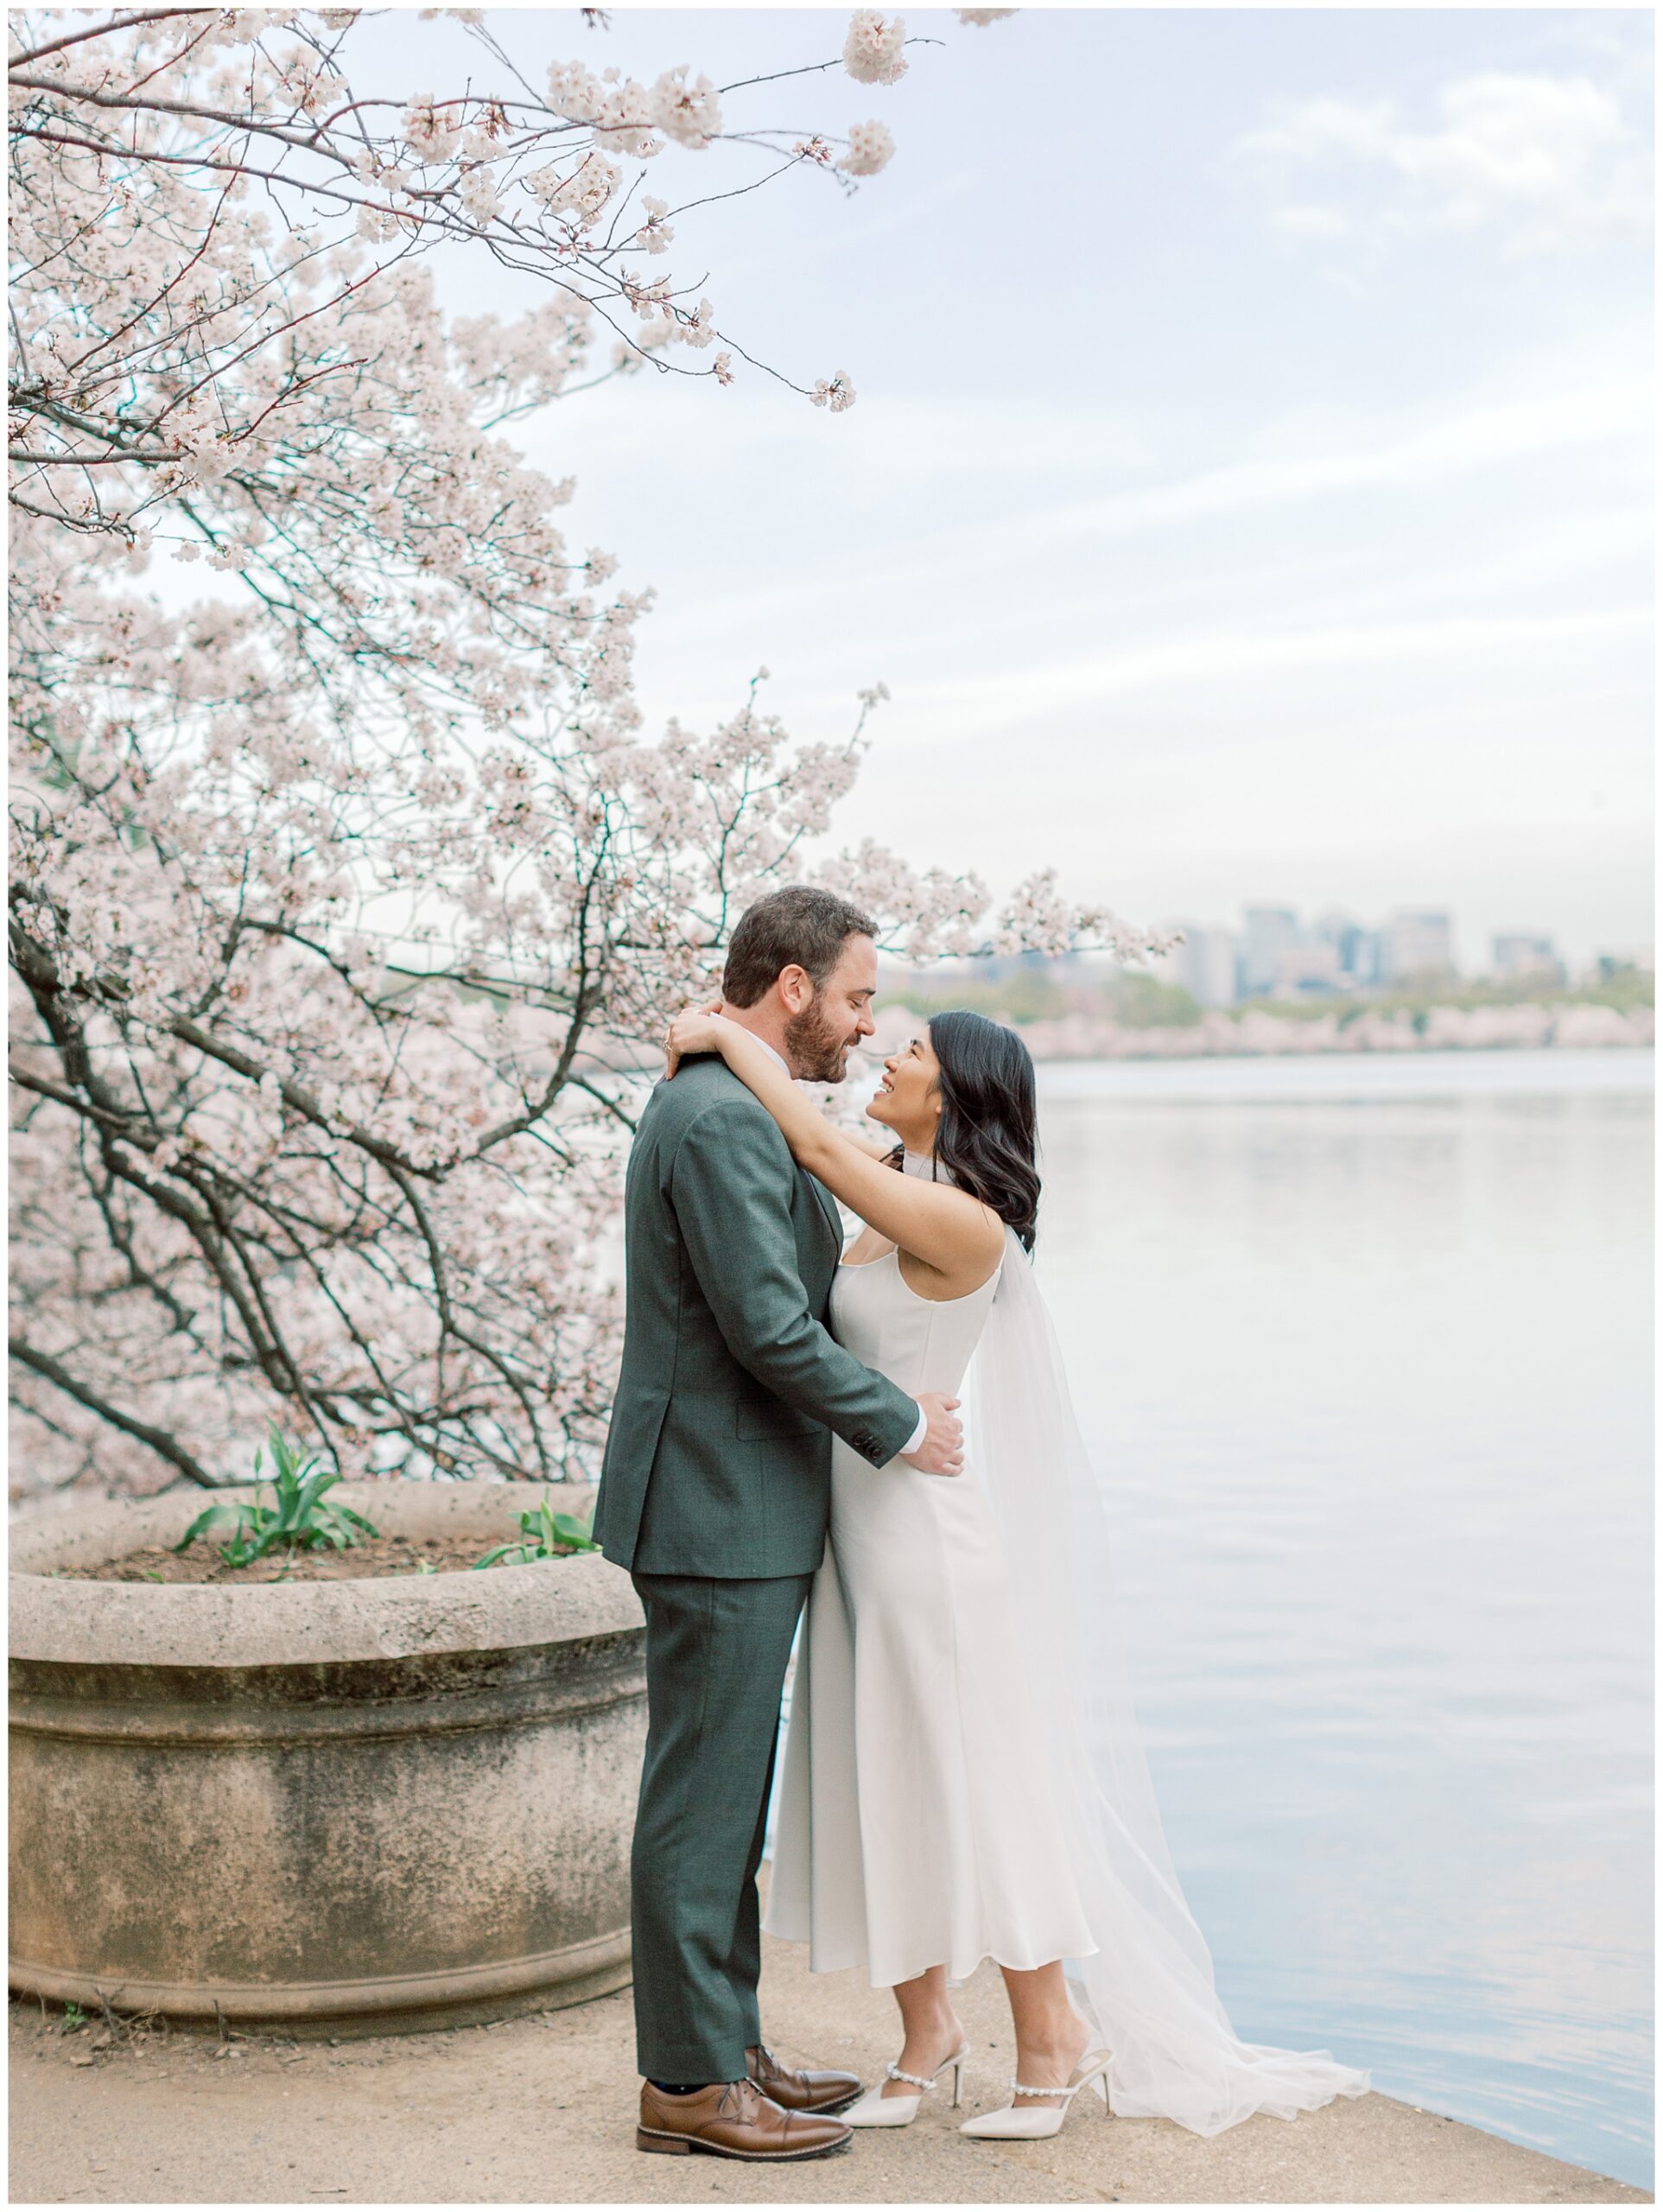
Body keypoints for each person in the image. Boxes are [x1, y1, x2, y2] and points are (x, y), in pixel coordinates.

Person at [660, 985, 1374, 2144]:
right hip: (856, 1542)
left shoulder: (965, 1222)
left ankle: (1052, 2038)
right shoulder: (897, 1188)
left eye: (914, 1051)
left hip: (925, 1550)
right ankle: (927, 2036)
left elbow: (808, 1143)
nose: (888, 1055)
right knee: (883, 1780)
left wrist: (726, 1036)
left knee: (979, 1790)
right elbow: (813, 1177)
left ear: (957, 1094)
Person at [592, 886, 967, 2163]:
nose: (866, 1025)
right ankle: (689, 2086)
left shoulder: (736, 1099)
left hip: (732, 1499)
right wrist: (900, 1423)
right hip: (713, 1501)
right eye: (857, 997)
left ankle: (725, 2043)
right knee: (701, 1803)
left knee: (725, 1798)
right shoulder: (715, 1120)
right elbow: (765, 1324)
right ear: (794, 987)